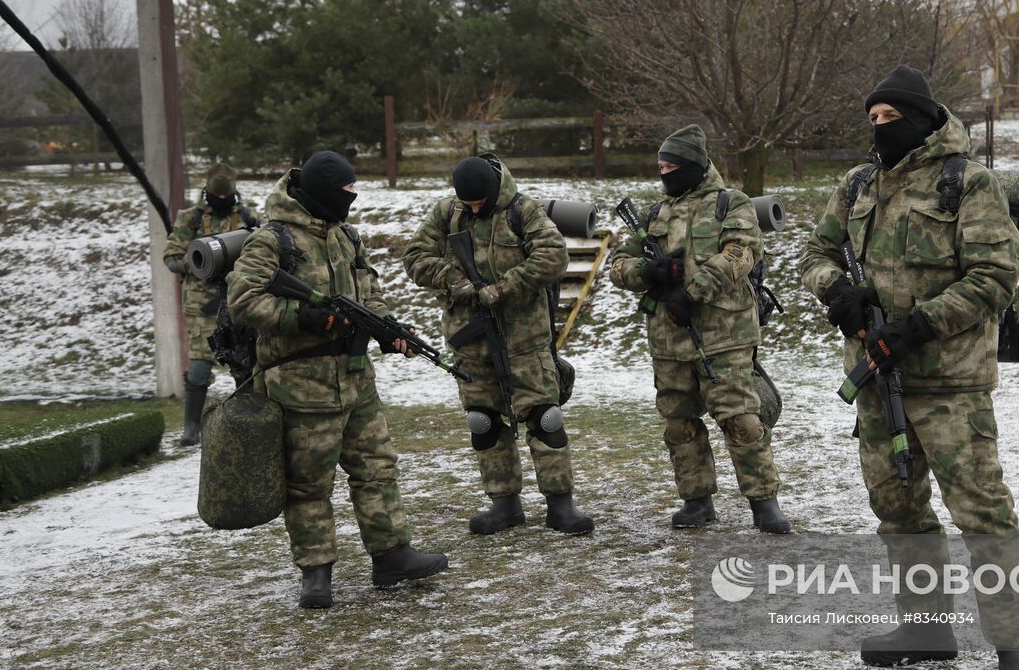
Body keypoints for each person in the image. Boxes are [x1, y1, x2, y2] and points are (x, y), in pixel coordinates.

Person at [797, 66, 1019, 670]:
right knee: (899, 512)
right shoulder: (857, 185)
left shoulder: (967, 183)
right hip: (878, 381)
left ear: (922, 117)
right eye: (872, 118)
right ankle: (926, 629)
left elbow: (994, 277)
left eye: (892, 117)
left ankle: (1014, 647)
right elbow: (814, 255)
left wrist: (917, 327)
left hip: (950, 385)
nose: (881, 127)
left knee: (983, 514)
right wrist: (839, 295)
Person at [226, 150, 448, 609]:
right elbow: (243, 301)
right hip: (298, 384)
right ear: (325, 192)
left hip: (354, 378)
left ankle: (392, 555)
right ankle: (316, 572)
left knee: (378, 468)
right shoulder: (272, 241)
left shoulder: (347, 236)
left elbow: (369, 291)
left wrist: (390, 330)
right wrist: (302, 316)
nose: (351, 200)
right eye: (345, 193)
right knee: (308, 484)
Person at [609, 124, 789, 533]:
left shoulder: (731, 204)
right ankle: (697, 501)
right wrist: (648, 270)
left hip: (724, 336)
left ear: (692, 164)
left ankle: (764, 502)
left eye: (672, 165)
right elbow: (618, 265)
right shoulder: (655, 213)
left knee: (741, 419)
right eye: (660, 165)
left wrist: (693, 293)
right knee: (679, 424)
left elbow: (741, 252)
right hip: (668, 340)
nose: (665, 172)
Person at [402, 155, 594, 536]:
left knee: (545, 419)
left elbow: (554, 257)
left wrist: (502, 287)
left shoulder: (523, 211)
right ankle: (504, 503)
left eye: (479, 203)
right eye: (467, 204)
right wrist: (453, 279)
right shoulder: (447, 213)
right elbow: (415, 258)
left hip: (525, 339)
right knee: (484, 422)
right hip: (470, 340)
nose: (473, 209)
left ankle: (561, 504)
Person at [163, 163, 258, 445]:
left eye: (225, 198)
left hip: (237, 298)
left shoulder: (246, 216)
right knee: (200, 367)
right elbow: (171, 258)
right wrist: (198, 262)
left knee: (245, 363)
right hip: (201, 303)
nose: (221, 202)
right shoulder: (190, 219)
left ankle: (248, 422)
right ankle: (191, 428)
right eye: (216, 199)